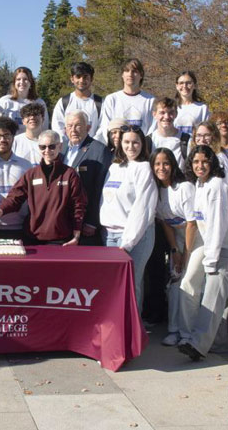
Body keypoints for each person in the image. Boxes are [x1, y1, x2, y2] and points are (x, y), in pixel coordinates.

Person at [177, 145, 228, 361]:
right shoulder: (200, 184)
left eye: (204, 161)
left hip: (226, 248)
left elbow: (217, 225)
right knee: (218, 299)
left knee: (212, 296)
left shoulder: (216, 186)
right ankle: (219, 343)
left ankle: (197, 345)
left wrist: (211, 259)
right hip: (211, 245)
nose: (200, 166)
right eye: (195, 162)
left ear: (212, 163)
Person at [0, 130, 87, 245]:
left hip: (61, 240)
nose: (47, 151)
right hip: (33, 239)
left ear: (60, 147)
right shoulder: (31, 174)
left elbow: (78, 205)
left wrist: (76, 236)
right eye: (43, 147)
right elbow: (14, 198)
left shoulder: (69, 174)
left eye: (52, 146)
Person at [99, 125, 157, 314]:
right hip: (110, 234)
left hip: (134, 237)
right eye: (126, 142)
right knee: (113, 286)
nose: (131, 146)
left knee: (132, 285)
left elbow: (143, 208)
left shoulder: (144, 168)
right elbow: (106, 200)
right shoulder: (115, 167)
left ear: (142, 144)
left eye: (135, 142)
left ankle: (132, 332)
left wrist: (128, 242)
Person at [150, 148, 197, 347]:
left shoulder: (184, 188)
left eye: (166, 163)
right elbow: (166, 224)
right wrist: (175, 251)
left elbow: (192, 224)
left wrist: (185, 255)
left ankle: (187, 334)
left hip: (196, 239)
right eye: (158, 164)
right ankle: (173, 330)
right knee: (175, 285)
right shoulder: (156, 191)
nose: (162, 168)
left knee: (188, 285)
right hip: (178, 240)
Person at [62, 110, 112, 245]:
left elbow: (101, 188)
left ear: (88, 128)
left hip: (86, 222)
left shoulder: (99, 150)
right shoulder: (60, 149)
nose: (73, 130)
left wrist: (93, 221)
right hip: (63, 221)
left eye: (78, 125)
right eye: (70, 126)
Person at [96, 58, 155, 141]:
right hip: (117, 150)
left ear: (141, 75)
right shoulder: (111, 99)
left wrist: (143, 146)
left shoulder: (150, 100)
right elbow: (106, 126)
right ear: (122, 75)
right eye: (127, 71)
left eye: (134, 71)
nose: (130, 74)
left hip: (142, 149)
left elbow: (153, 129)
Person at [51, 62, 103, 137]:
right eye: (78, 77)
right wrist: (67, 145)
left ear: (91, 79)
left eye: (85, 77)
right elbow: (57, 127)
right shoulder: (63, 102)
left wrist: (93, 146)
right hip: (68, 147)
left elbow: (103, 127)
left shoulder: (101, 103)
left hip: (93, 147)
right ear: (72, 79)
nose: (81, 80)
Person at [148, 97, 189, 166]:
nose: (166, 117)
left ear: (176, 114)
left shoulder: (186, 140)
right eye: (162, 113)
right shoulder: (148, 141)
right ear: (154, 114)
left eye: (171, 113)